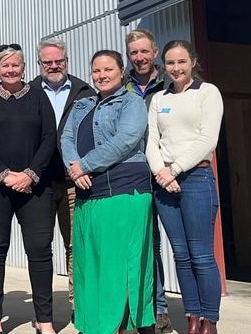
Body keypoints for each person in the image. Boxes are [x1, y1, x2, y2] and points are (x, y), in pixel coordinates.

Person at [60, 50, 154, 334]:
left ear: (121, 71)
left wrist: (84, 165)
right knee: (90, 266)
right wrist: (74, 168)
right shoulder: (81, 105)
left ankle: (122, 326)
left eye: (108, 70)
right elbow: (65, 138)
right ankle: (94, 326)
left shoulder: (132, 103)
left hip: (123, 192)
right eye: (96, 71)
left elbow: (126, 140)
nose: (101, 75)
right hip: (89, 196)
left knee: (120, 267)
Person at [0, 43, 57, 334]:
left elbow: (49, 139)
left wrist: (30, 175)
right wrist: (4, 174)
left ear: (24, 67)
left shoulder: (38, 97)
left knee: (39, 249)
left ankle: (44, 320)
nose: (10, 70)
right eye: (5, 65)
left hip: (34, 187)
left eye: (16, 65)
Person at [146, 40, 223, 334]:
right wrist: (161, 173)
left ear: (192, 62)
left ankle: (209, 320)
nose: (175, 68)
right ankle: (192, 316)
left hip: (196, 179)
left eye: (181, 62)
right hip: (164, 182)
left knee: (201, 253)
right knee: (180, 253)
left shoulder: (207, 93)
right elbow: (151, 141)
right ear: (163, 65)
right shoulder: (159, 99)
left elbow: (207, 140)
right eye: (170, 63)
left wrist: (174, 170)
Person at [28, 37, 96, 323]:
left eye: (59, 61)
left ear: (66, 61)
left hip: (73, 183)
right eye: (48, 62)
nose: (54, 66)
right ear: (39, 64)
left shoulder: (85, 92)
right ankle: (43, 315)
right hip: (39, 184)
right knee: (40, 247)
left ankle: (77, 305)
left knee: (76, 246)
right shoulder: (28, 92)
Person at [124, 29, 173, 334]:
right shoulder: (123, 87)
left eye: (144, 51)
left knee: (169, 245)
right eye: (133, 53)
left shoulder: (170, 84)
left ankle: (160, 307)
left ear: (154, 52)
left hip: (166, 173)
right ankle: (140, 307)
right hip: (133, 175)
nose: (139, 57)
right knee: (140, 244)